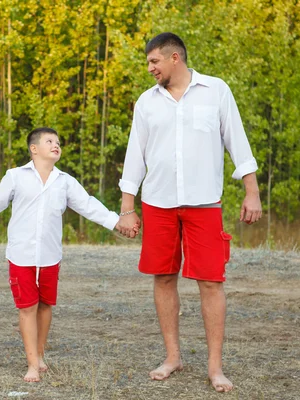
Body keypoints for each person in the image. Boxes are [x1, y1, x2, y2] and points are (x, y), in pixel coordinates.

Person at [116, 33, 262, 393]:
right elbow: (135, 155)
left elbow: (237, 140)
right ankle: (173, 357)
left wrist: (251, 191)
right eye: (149, 63)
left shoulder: (215, 91)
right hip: (158, 203)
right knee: (163, 277)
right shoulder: (146, 103)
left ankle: (215, 367)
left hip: (204, 203)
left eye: (154, 62)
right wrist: (127, 208)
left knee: (210, 282)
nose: (150, 69)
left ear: (175, 58)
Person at [0, 127, 135, 382]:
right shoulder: (15, 177)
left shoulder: (65, 182)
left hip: (50, 256)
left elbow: (89, 205)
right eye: (49, 141)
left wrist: (118, 222)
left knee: (46, 305)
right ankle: (31, 365)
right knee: (28, 307)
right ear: (34, 149)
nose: (56, 145)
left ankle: (39, 354)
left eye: (58, 142)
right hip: (21, 255)